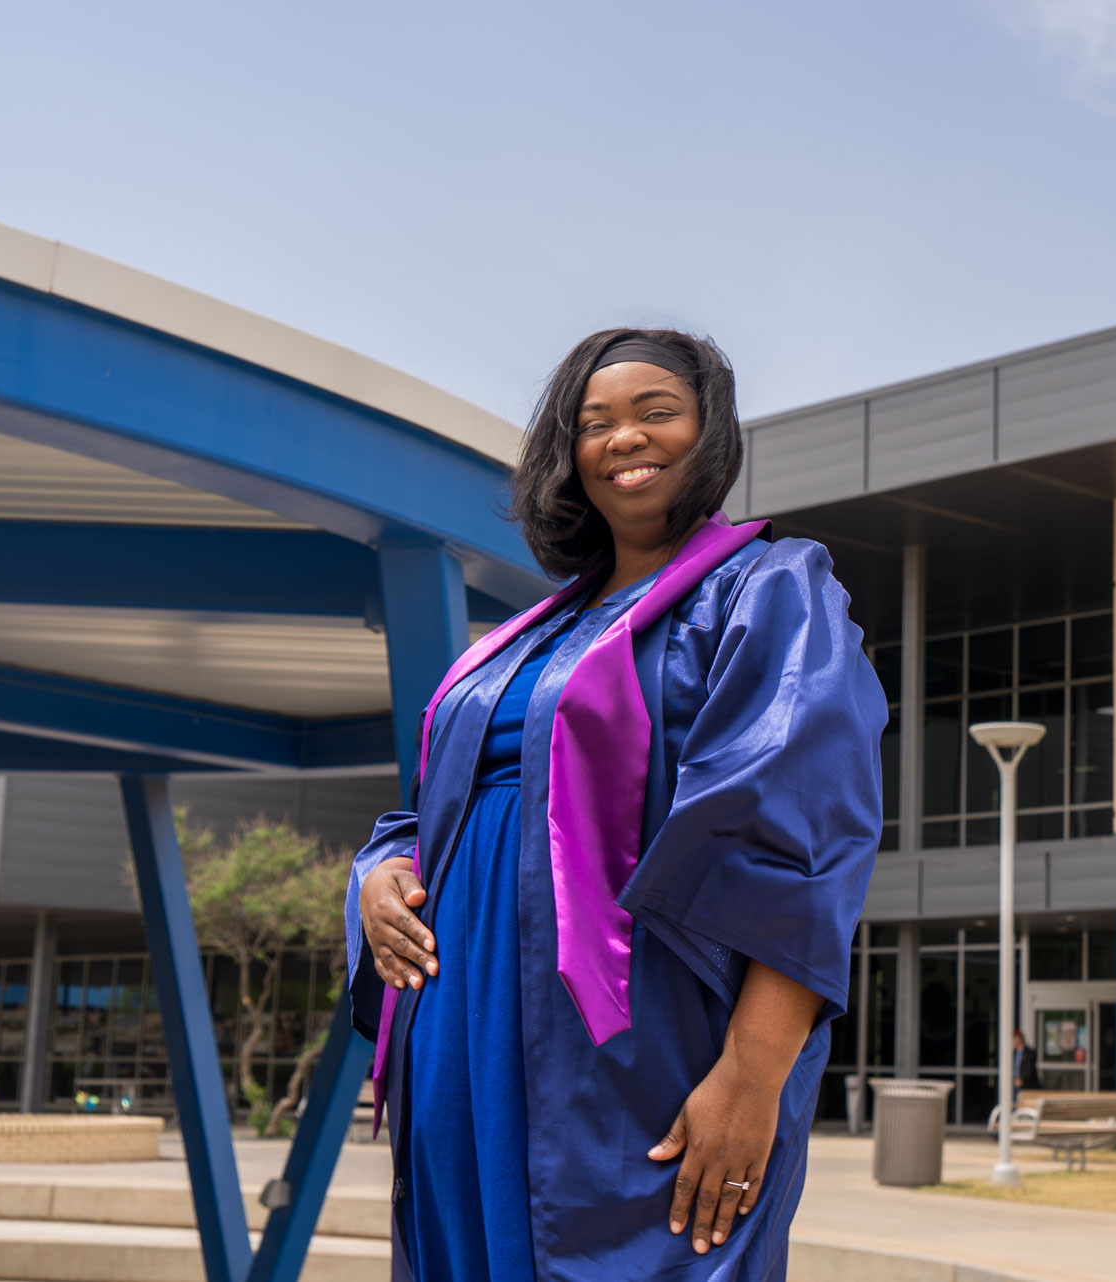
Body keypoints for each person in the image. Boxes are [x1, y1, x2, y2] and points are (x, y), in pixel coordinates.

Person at [342, 329, 886, 1282]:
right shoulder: (532, 632)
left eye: (656, 412)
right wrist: (378, 874)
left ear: (710, 431)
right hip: (463, 1031)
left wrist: (752, 1075)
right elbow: (438, 809)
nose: (625, 437)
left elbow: (801, 841)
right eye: (595, 423)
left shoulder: (767, 588)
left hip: (639, 1042)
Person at [1011, 1027, 1042, 1103]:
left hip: (1027, 1087)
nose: (1012, 1041)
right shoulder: (1013, 1053)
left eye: (1013, 1038)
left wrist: (1021, 1080)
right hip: (1014, 1086)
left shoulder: (1029, 1053)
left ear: (1018, 1038)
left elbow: (1028, 1070)